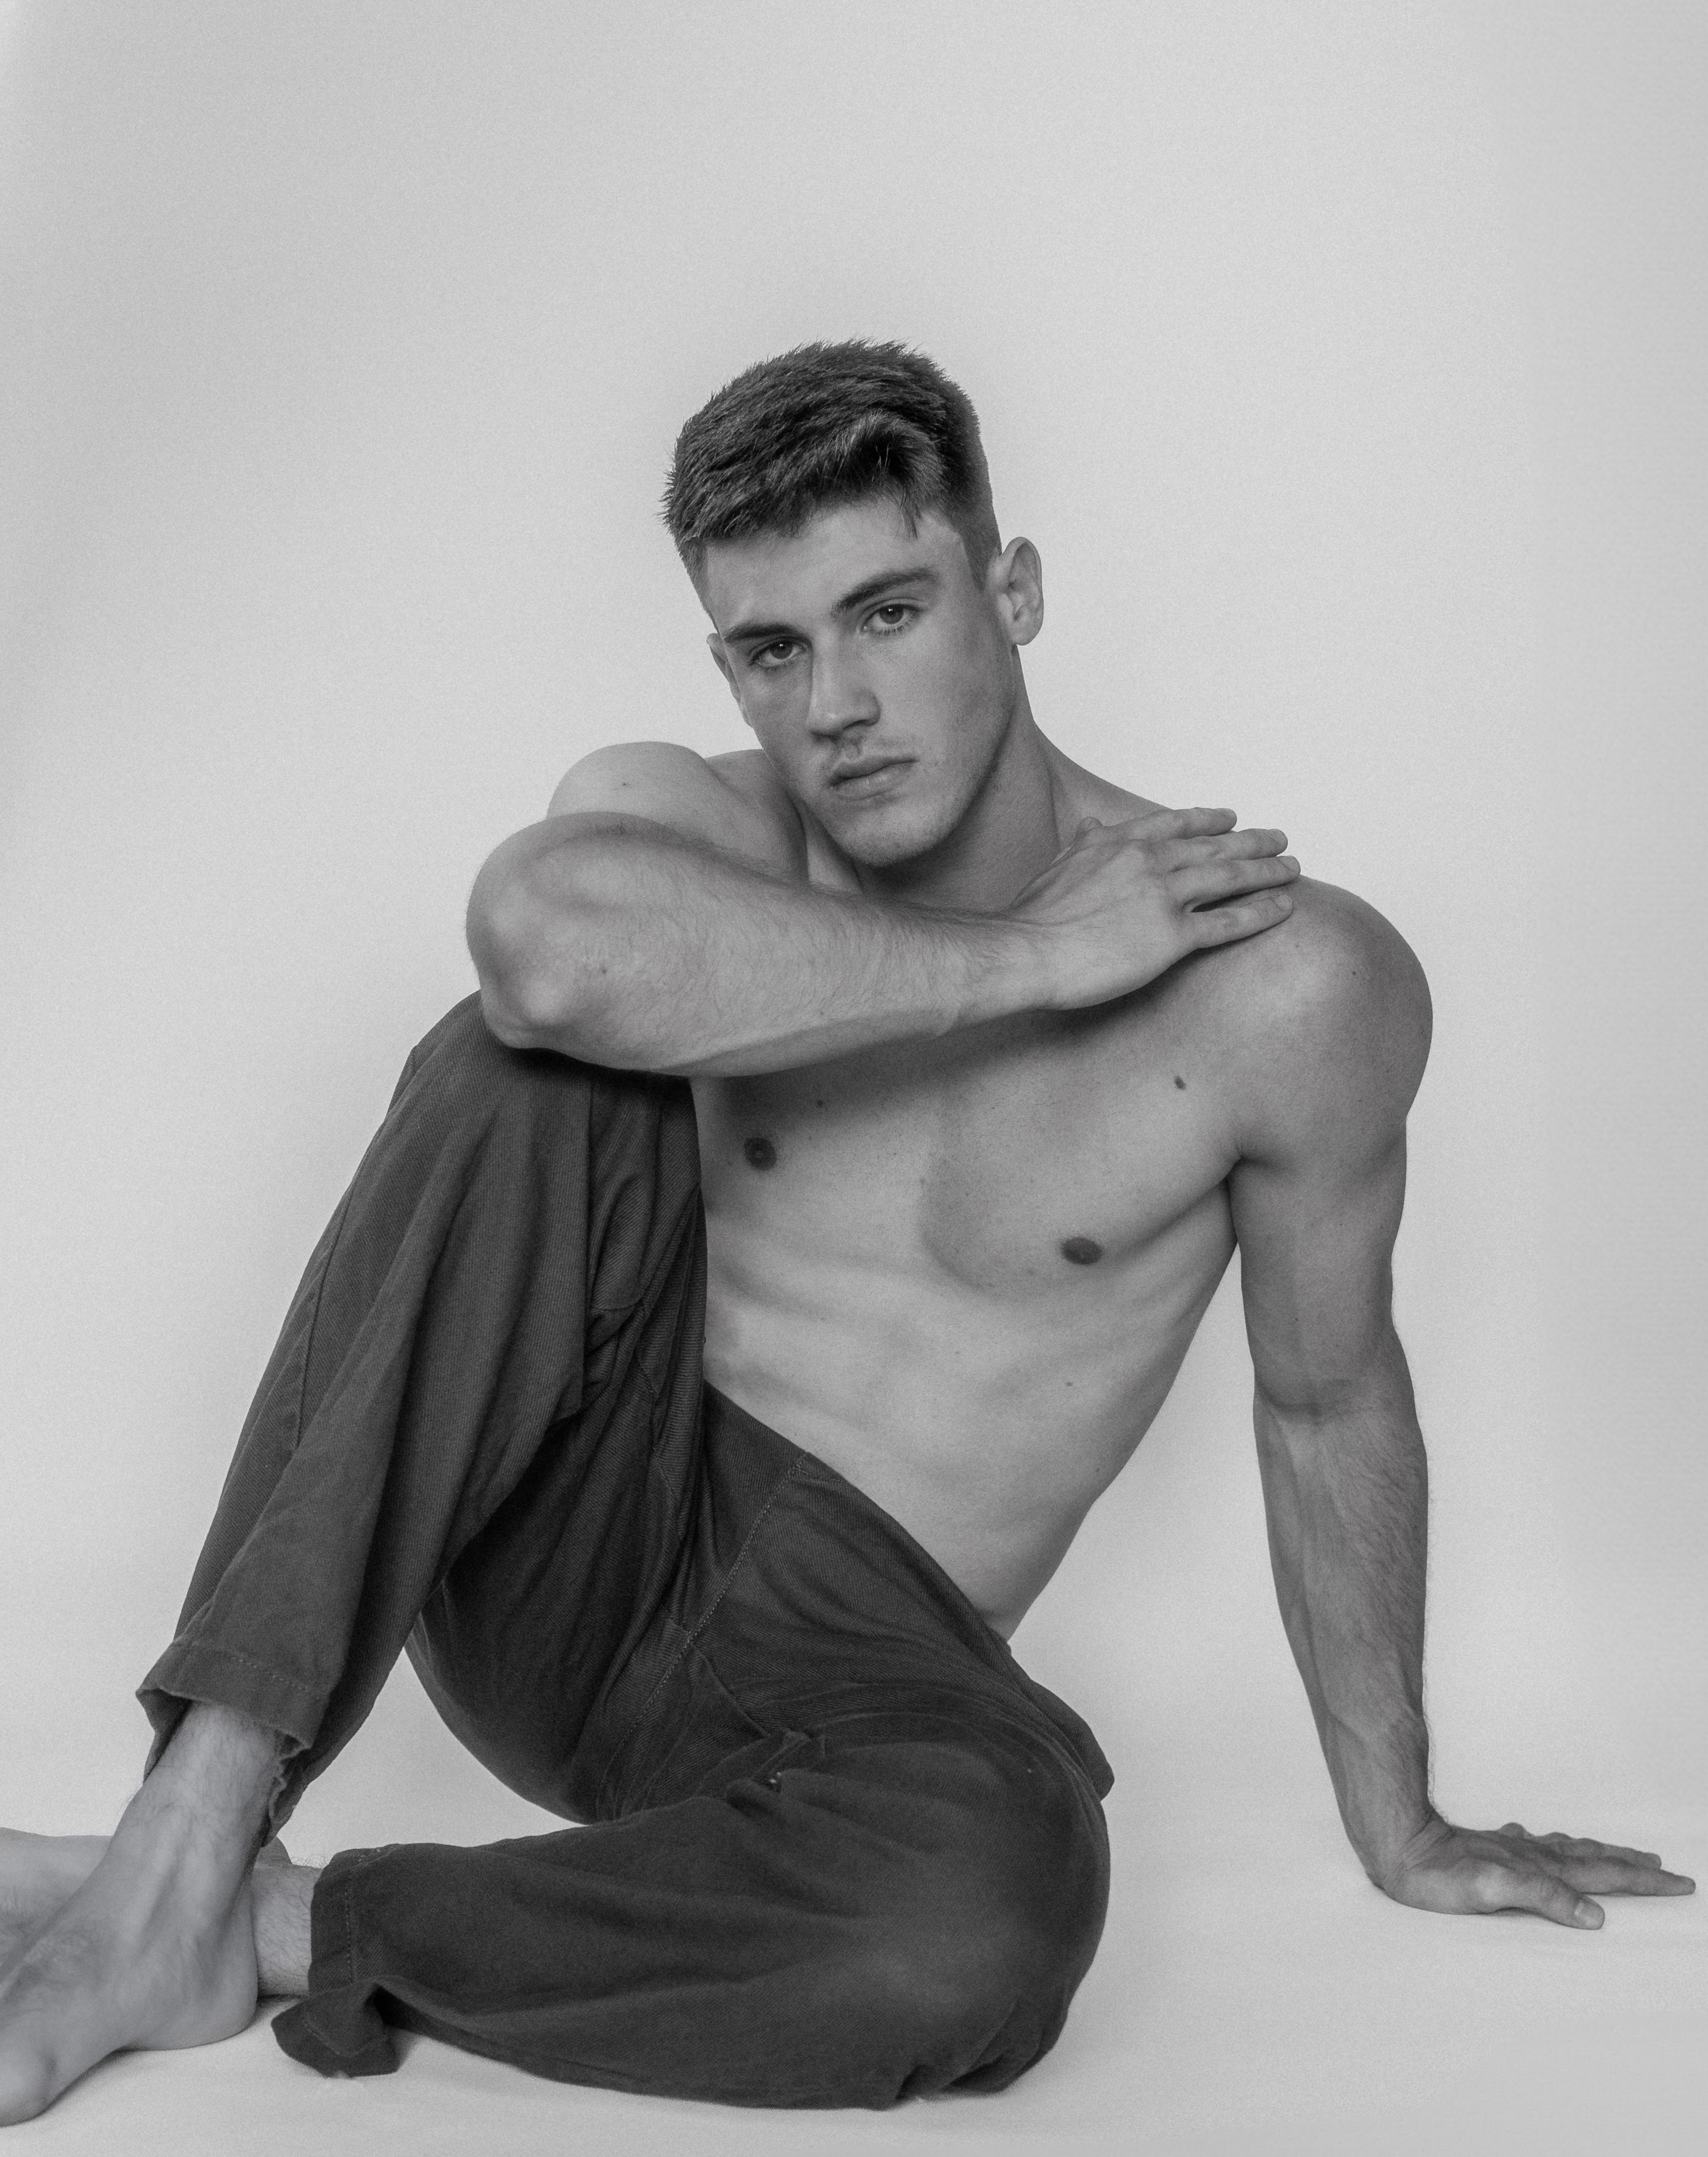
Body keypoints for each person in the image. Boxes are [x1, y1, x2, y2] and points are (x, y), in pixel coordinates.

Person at [0, 342, 1691, 2122]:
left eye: (888, 612)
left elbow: (1327, 1402)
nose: (836, 706)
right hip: (567, 1551)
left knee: (992, 1905)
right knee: (529, 1059)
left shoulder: (1283, 989)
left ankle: (258, 1921)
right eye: (773, 649)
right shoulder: (706, 839)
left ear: (1011, 590)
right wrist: (1036, 958)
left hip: (854, 1675)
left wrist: (1401, 1820)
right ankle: (184, 1835)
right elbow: (544, 949)